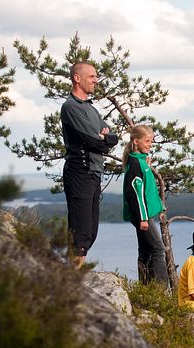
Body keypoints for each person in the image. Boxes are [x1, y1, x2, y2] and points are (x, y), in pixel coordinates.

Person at [60, 61, 119, 268]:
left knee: (91, 232)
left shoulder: (91, 109)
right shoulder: (70, 107)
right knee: (81, 233)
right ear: (77, 78)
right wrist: (101, 140)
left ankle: (72, 276)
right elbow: (94, 141)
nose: (96, 80)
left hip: (94, 173)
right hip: (80, 172)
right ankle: (71, 281)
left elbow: (111, 137)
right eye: (92, 76)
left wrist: (104, 139)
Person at [122, 124, 168, 286]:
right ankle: (162, 290)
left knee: (146, 251)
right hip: (143, 216)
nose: (150, 145)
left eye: (152, 141)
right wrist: (142, 218)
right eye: (147, 141)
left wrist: (160, 207)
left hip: (145, 214)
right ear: (136, 141)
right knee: (158, 249)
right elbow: (136, 194)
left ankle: (145, 287)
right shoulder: (135, 164)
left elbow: (148, 189)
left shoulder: (140, 161)